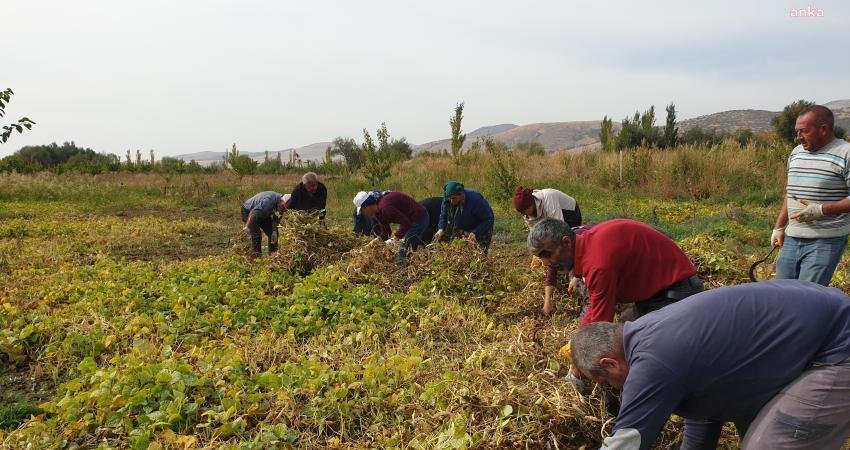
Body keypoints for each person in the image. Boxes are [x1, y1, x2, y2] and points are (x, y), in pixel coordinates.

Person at [570, 280, 850, 450]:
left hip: (837, 346)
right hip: (813, 325)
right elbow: (705, 411)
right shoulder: (646, 332)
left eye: (604, 381)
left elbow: (627, 442)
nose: (612, 387)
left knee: (766, 445)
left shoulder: (652, 363)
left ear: (609, 363)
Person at [528, 218, 701, 320]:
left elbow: (600, 320)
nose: (546, 263)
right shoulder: (588, 242)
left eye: (547, 254)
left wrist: (577, 366)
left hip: (677, 293)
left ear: (566, 242)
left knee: (633, 345)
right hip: (656, 293)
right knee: (623, 329)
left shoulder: (597, 263)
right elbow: (596, 306)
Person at [772, 105, 850, 286]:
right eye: (797, 131)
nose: (798, 137)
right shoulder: (796, 153)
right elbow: (790, 193)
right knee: (782, 291)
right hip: (793, 236)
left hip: (825, 240)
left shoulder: (845, 153)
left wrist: (821, 210)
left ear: (823, 129)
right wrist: (779, 227)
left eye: (804, 131)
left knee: (807, 295)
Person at [353, 190, 429, 263]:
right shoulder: (378, 213)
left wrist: (394, 240)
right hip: (410, 220)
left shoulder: (385, 207)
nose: (363, 214)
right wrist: (375, 241)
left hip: (418, 218)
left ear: (367, 206)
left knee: (402, 253)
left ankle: (404, 272)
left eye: (362, 211)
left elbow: (406, 223)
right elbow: (386, 233)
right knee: (405, 248)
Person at [434, 181, 495, 251]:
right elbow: (443, 215)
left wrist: (476, 232)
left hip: (479, 225)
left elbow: (488, 219)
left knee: (478, 252)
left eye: (453, 198)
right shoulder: (447, 200)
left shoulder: (476, 200)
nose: (451, 201)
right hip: (461, 223)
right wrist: (441, 228)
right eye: (449, 198)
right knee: (455, 248)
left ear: (461, 195)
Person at [241, 191, 289, 257]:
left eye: (285, 210)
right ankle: (256, 258)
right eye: (283, 207)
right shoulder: (269, 201)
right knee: (256, 234)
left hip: (263, 213)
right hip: (248, 211)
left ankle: (273, 256)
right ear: (280, 201)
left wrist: (274, 232)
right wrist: (247, 227)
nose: (283, 210)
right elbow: (253, 212)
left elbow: (276, 218)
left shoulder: (281, 205)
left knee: (272, 233)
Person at [513, 186, 582, 228]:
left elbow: (560, 225)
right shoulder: (525, 211)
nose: (524, 214)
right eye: (521, 212)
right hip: (551, 218)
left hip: (570, 213)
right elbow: (534, 231)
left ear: (531, 204)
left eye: (525, 211)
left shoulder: (548, 197)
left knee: (569, 241)